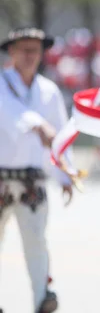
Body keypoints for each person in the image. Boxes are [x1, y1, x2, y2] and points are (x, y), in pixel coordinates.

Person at [0, 27, 74, 313]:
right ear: (12, 52)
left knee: (36, 243)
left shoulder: (48, 90)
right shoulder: (2, 83)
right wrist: (37, 124)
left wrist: (65, 174)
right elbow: (7, 111)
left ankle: (42, 298)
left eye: (35, 50)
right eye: (24, 49)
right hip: (1, 178)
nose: (30, 55)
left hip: (32, 182)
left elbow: (60, 135)